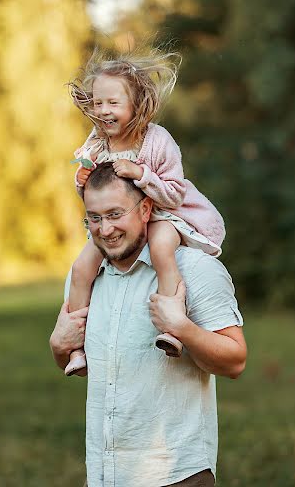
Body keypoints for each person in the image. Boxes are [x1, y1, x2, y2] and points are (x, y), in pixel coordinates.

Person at [50, 163, 246, 486]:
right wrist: (59, 347)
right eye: (94, 218)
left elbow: (236, 360)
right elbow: (76, 362)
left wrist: (182, 328)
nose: (105, 229)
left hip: (175, 474)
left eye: (115, 214)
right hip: (103, 472)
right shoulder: (83, 280)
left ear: (145, 209)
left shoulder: (194, 269)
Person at [64, 47, 226, 375]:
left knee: (162, 250)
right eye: (98, 103)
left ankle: (171, 326)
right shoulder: (95, 142)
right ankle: (76, 345)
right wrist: (81, 180)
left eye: (113, 103)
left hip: (164, 213)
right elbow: (95, 194)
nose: (104, 111)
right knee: (81, 269)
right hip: (121, 224)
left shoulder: (157, 141)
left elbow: (174, 192)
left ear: (135, 105)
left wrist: (141, 175)